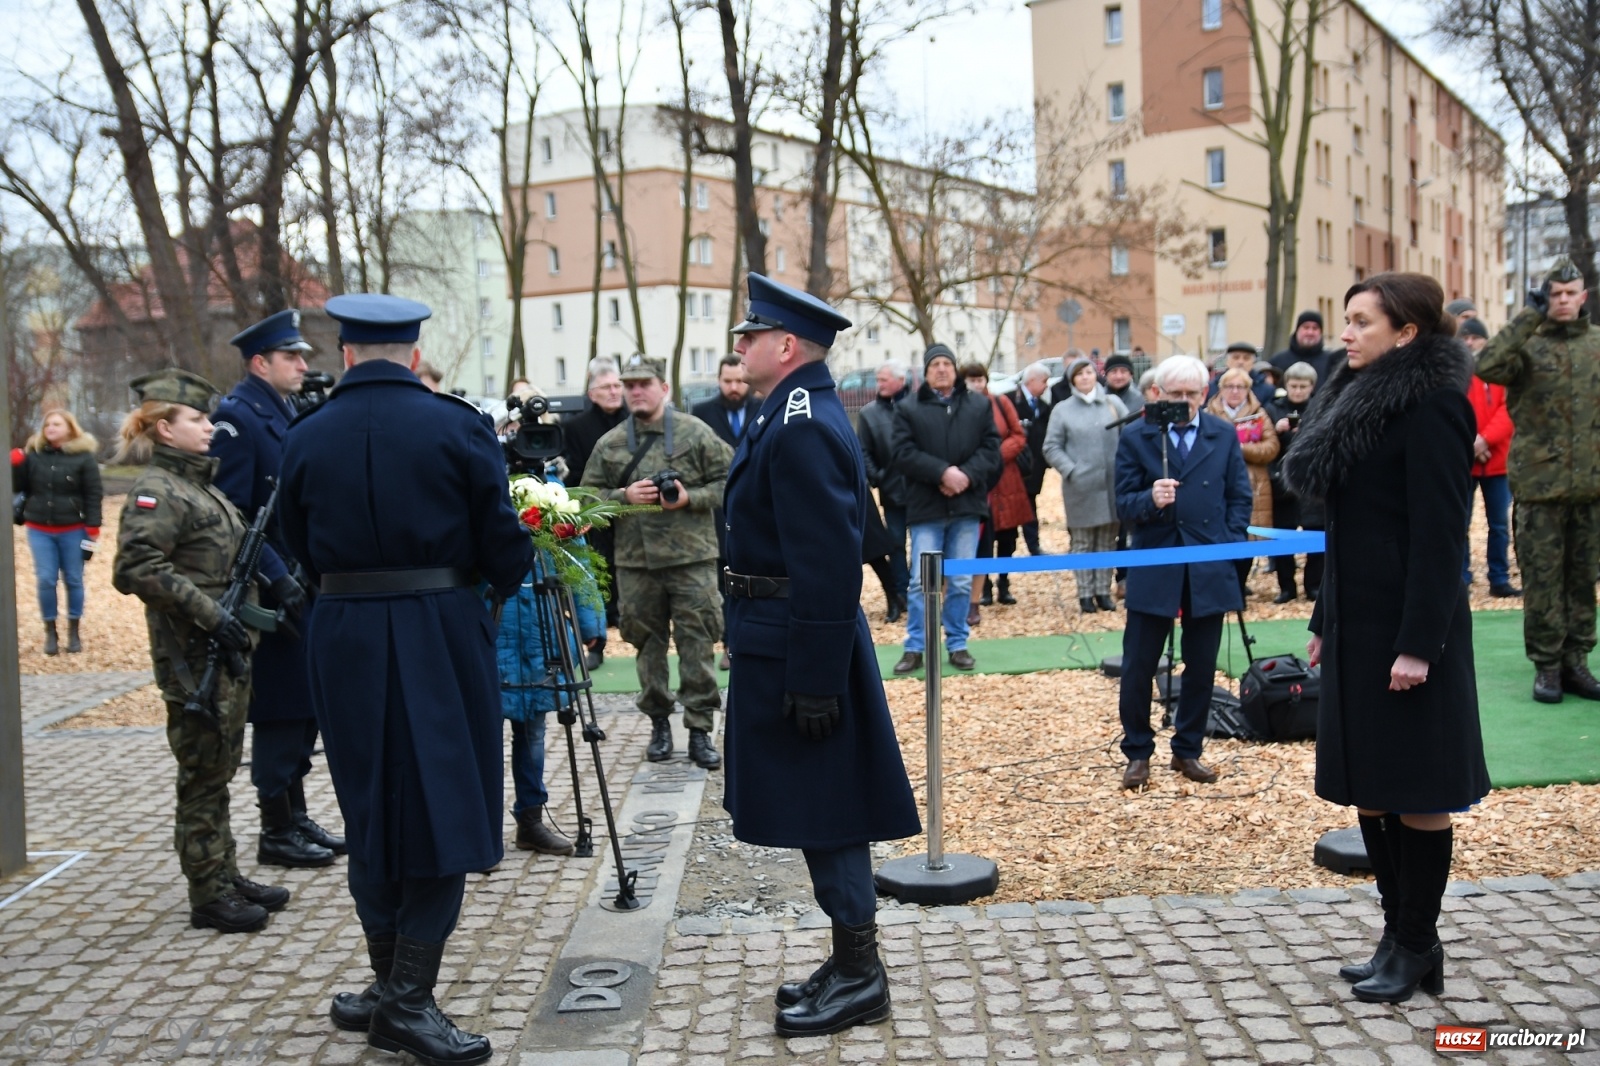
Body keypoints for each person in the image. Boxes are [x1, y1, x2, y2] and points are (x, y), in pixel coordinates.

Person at [277, 294, 532, 1065]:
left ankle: (392, 988)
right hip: (436, 630)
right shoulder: (456, 425)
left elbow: (294, 540)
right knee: (443, 805)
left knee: (371, 805)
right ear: (413, 356)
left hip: (344, 631)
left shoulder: (307, 433)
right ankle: (409, 1002)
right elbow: (503, 545)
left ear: (348, 354)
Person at [1284, 272, 1489, 1004]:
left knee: (1416, 791)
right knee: (1370, 790)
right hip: (1355, 624)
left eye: (1362, 321)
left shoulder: (1434, 405)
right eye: (1345, 319)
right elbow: (1349, 530)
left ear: (1405, 332)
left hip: (1408, 630)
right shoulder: (1356, 396)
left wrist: (1418, 645)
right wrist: (1321, 619)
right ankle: (1398, 933)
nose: (1346, 332)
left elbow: (1440, 538)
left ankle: (1414, 941)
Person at [723, 272, 920, 1037]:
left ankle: (862, 973)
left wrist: (812, 678)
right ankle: (849, 960)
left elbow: (829, 559)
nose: (739, 345)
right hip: (782, 637)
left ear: (784, 344)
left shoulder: (801, 420)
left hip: (800, 644)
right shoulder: (788, 412)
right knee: (820, 808)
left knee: (833, 811)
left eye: (750, 335)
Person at [111, 369, 288, 934]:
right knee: (202, 772)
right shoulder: (158, 490)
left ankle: (224, 872)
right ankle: (207, 893)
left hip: (224, 647)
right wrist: (214, 613)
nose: (210, 427)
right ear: (165, 428)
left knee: (220, 766)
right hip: (194, 655)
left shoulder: (200, 486)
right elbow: (136, 567)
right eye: (197, 419)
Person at [211, 310, 343, 871]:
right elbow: (234, 514)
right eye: (292, 356)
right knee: (281, 708)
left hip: (300, 577)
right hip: (272, 586)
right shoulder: (237, 419)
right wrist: (275, 574)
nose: (304, 364)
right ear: (260, 362)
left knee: (305, 703)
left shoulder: (283, 409)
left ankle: (295, 811)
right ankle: (275, 828)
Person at [581, 353, 732, 769]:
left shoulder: (695, 432)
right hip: (636, 564)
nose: (635, 391)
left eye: (643, 384)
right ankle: (659, 725)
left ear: (664, 388)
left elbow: (732, 479)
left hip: (692, 560)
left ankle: (700, 730)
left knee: (698, 644)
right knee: (646, 647)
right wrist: (622, 498)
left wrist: (691, 497)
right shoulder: (610, 444)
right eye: (629, 385)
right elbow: (585, 499)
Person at [1114, 355, 1252, 790]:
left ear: (1205, 393)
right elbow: (1122, 504)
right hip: (1155, 561)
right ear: (1158, 394)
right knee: (1139, 664)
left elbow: (1238, 497)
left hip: (1207, 563)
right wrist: (1149, 500)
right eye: (1176, 394)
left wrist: (1226, 548)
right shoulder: (1136, 436)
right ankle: (1138, 751)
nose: (1186, 402)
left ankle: (1188, 749)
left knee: (1202, 664)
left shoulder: (1223, 434)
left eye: (1193, 394)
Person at [1475, 257, 1600, 703]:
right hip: (1539, 488)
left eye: (1570, 293)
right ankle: (1547, 667)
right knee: (1544, 580)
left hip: (1591, 487)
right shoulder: (1526, 346)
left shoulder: (1596, 345)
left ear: (1583, 297)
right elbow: (1485, 365)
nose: (1563, 301)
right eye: (1555, 294)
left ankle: (1576, 663)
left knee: (1584, 579)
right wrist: (1527, 316)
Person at [495, 454, 601, 858]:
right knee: (485, 735)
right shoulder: (483, 488)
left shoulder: (554, 498)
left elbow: (579, 565)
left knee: (534, 732)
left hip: (541, 632)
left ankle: (531, 820)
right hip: (496, 626)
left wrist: (590, 625)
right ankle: (484, 828)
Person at [889, 343, 1001, 675]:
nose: (941, 369)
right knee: (921, 582)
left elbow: (991, 449)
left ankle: (957, 642)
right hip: (927, 508)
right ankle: (915, 646)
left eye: (946, 364)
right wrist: (941, 473)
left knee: (961, 580)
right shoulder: (908, 408)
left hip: (966, 505)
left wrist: (965, 475)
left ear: (955, 369)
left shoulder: (979, 405)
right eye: (935, 364)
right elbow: (902, 453)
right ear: (925, 372)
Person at [12, 409, 102, 655]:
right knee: (46, 579)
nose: (50, 428)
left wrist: (93, 527)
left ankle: (74, 630)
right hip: (39, 528)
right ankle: (50, 631)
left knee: (73, 578)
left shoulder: (83, 458)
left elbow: (93, 494)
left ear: (70, 429)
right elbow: (19, 487)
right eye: (47, 424)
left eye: (56, 424)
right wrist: (16, 464)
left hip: (73, 529)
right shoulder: (35, 455)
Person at [693, 354, 762, 669]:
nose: (734, 388)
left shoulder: (764, 409)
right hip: (717, 513)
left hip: (756, 508)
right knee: (723, 584)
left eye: (739, 381)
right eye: (727, 381)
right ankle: (728, 644)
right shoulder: (701, 414)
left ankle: (752, 640)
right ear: (718, 381)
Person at [1043, 355, 1127, 613]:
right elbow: (1051, 446)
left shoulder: (1113, 403)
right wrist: (1071, 469)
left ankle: (1103, 591)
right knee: (1082, 543)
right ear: (1072, 379)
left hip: (1111, 484)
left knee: (1106, 540)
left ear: (1096, 375)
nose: (1085, 378)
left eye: (1088, 372)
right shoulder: (1063, 409)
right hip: (1080, 487)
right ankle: (1084, 594)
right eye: (1079, 374)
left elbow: (1131, 435)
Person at [561, 357, 627, 668]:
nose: (614, 391)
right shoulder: (575, 428)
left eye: (618, 385)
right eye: (607, 387)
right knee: (598, 577)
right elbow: (574, 474)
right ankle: (597, 643)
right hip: (596, 515)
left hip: (636, 512)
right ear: (592, 394)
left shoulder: (636, 421)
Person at [961, 362, 1032, 616]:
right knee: (982, 535)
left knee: (1007, 536)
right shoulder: (961, 407)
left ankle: (1004, 582)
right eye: (971, 380)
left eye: (980, 379)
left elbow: (1018, 435)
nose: (976, 384)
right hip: (977, 480)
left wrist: (995, 455)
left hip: (1006, 475)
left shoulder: (1001, 403)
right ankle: (984, 586)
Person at [1204, 365, 1281, 598]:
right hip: (1216, 483)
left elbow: (1272, 447)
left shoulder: (1259, 413)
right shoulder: (1209, 413)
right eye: (1230, 386)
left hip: (1253, 483)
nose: (1235, 391)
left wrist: (1241, 449)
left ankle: (1239, 585)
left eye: (1240, 387)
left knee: (1247, 537)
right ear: (1221, 389)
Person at [1458, 318, 1518, 597]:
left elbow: (1509, 411)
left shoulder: (1501, 370)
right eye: (1465, 338)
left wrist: (1483, 440)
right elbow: (1454, 408)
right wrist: (1472, 442)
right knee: (1460, 522)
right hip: (1464, 460)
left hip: (1497, 459)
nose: (1470, 343)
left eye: (1475, 338)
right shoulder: (1456, 371)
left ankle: (1499, 578)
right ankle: (1461, 577)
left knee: (1499, 525)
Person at [855, 361, 913, 619]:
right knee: (896, 544)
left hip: (922, 489)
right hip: (891, 489)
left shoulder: (917, 407)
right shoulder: (869, 414)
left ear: (900, 380)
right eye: (877, 380)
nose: (879, 385)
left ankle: (922, 591)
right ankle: (900, 593)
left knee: (926, 543)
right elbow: (863, 451)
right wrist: (878, 477)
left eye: (883, 380)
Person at [1266, 362, 1325, 602]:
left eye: (1303, 386)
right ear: (1286, 385)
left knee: (1316, 536)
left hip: (1311, 483)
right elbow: (1265, 443)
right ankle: (1286, 587)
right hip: (1281, 482)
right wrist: (1276, 430)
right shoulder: (1272, 409)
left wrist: (1307, 429)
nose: (1298, 391)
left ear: (1312, 387)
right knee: (1282, 538)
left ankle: (1314, 585)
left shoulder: (1320, 409)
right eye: (1293, 386)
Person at [1011, 363, 1053, 556]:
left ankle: (1033, 545)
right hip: (1014, 468)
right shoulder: (1010, 401)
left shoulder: (1044, 407)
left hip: (1035, 468)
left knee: (1030, 506)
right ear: (1032, 380)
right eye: (1044, 381)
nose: (1046, 386)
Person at [1270, 310, 1342, 388]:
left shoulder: (1332, 361)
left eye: (1315, 328)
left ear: (1321, 333)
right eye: (1306, 327)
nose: (1310, 332)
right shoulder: (1278, 361)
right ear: (1297, 330)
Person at [1206, 341, 1275, 405]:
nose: (1241, 362)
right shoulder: (1212, 387)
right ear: (1227, 361)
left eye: (1246, 358)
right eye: (1236, 357)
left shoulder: (1266, 389)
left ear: (1253, 363)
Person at [1102, 353, 1144, 418]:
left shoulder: (1139, 399)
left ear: (1131, 375)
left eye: (1123, 371)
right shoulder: (1099, 398)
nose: (1119, 376)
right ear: (1106, 375)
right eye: (1114, 371)